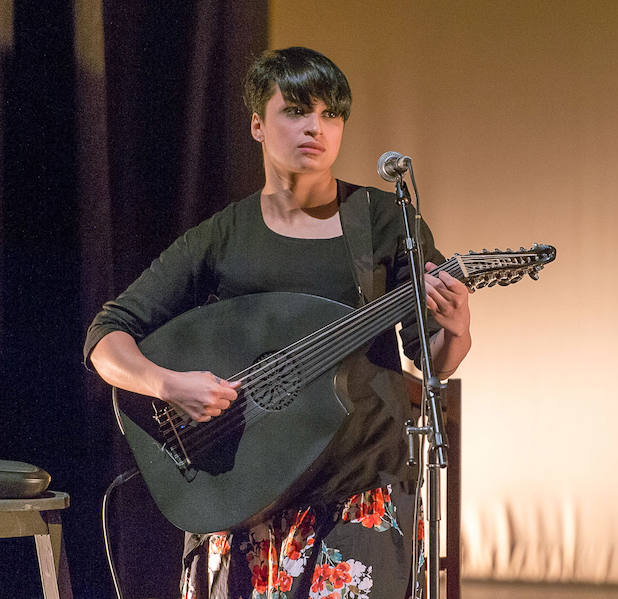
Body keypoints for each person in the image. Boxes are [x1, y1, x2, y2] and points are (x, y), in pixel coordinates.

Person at [84, 46, 471, 599]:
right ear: (258, 125)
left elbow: (426, 359)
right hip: (244, 499)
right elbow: (107, 334)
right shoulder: (223, 236)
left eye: (331, 115)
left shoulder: (383, 221)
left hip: (358, 493)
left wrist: (455, 327)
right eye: (296, 111)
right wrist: (168, 385)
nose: (316, 128)